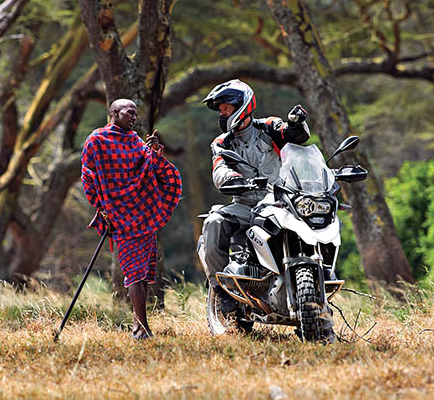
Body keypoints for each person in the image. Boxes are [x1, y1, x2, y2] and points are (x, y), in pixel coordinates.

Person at [199, 79, 309, 312]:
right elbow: (220, 168)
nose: (222, 113)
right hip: (246, 204)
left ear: (242, 105)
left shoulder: (269, 127)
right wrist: (232, 179)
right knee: (213, 222)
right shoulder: (222, 142)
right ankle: (223, 293)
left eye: (226, 108)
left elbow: (293, 136)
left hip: (281, 202)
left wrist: (296, 124)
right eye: (221, 110)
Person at [81, 99, 182, 340]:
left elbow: (148, 170)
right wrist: (102, 208)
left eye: (136, 114)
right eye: (130, 113)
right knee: (134, 272)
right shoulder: (97, 140)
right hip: (119, 218)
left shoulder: (136, 141)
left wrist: (155, 151)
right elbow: (88, 177)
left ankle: (140, 323)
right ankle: (140, 327)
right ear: (114, 113)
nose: (134, 118)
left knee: (143, 272)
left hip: (142, 215)